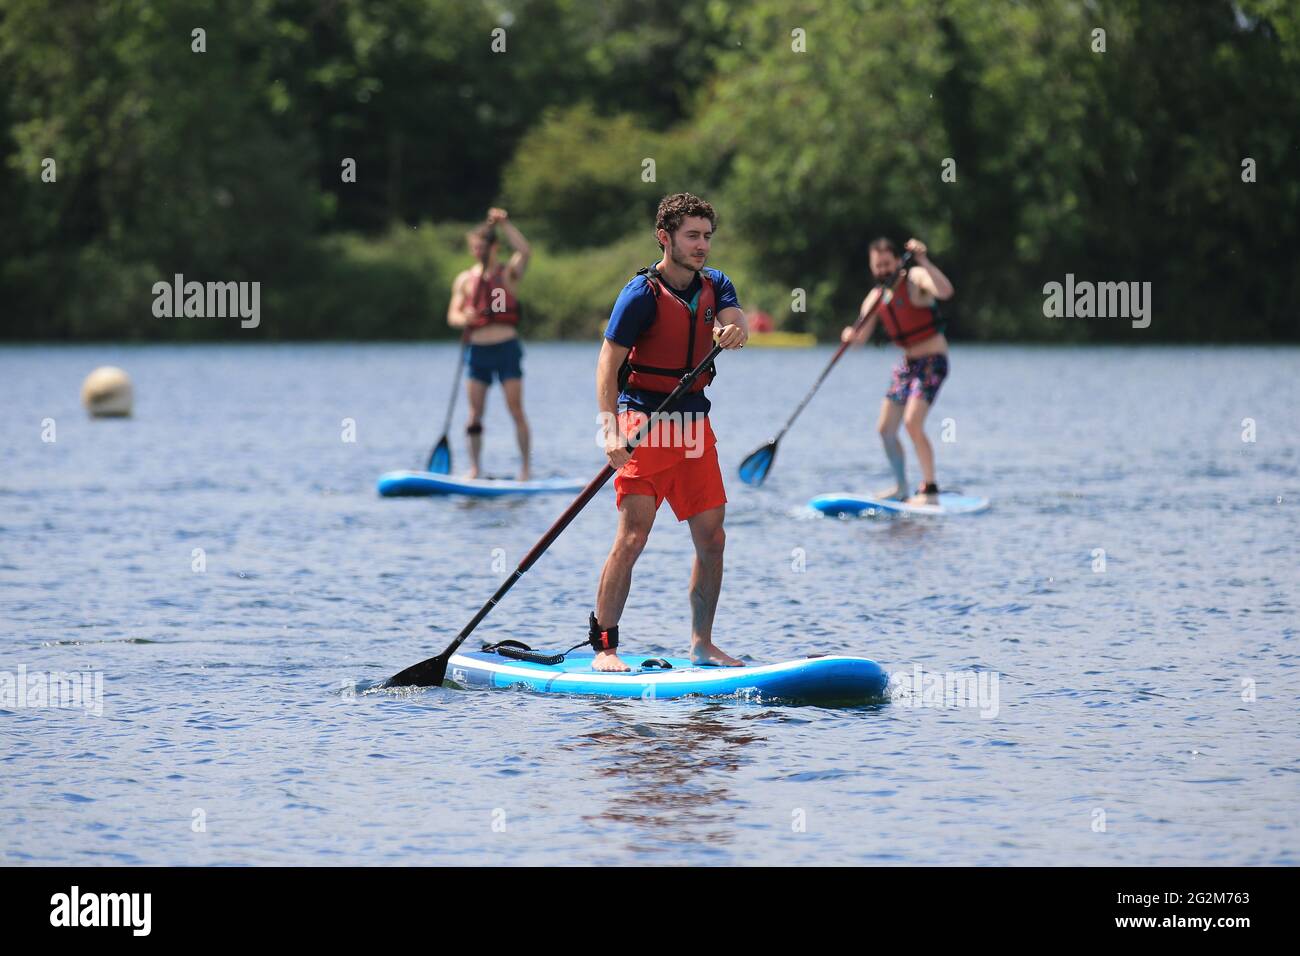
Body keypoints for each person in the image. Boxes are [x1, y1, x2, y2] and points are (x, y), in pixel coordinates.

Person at [589, 193, 748, 673]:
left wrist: (734, 331)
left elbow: (735, 322)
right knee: (634, 536)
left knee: (713, 539)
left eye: (706, 237)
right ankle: (605, 648)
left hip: (695, 427)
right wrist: (610, 430)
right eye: (692, 236)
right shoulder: (641, 293)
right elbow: (607, 363)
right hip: (645, 423)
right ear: (665, 238)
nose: (702, 246)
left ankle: (702, 644)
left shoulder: (715, 284)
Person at [841, 237, 955, 503]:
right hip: (908, 365)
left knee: (912, 422)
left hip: (933, 360)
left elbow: (946, 291)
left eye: (887, 264)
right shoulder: (875, 298)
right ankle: (902, 487)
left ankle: (930, 489)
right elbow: (859, 340)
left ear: (898, 264)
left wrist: (924, 261)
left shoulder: (915, 279)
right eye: (877, 266)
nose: (883, 270)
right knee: (885, 429)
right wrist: (849, 335)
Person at [446, 207, 532, 480]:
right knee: (474, 414)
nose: (477, 252)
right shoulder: (464, 280)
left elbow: (525, 251)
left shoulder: (507, 274)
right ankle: (475, 468)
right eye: (474, 247)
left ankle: (525, 468)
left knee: (515, 409)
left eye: (481, 247)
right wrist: (464, 318)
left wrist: (505, 224)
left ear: (494, 247)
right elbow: (453, 314)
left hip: (506, 349)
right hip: (478, 352)